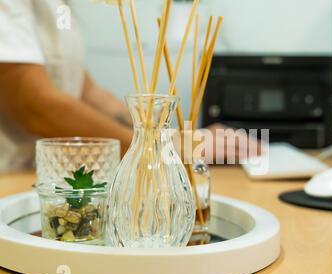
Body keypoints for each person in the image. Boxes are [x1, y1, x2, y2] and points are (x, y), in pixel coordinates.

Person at [0, 0, 260, 172]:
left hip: (47, 175)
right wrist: (163, 148)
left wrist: (161, 129)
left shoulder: (60, 6)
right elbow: (36, 106)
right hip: (11, 178)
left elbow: (86, 92)